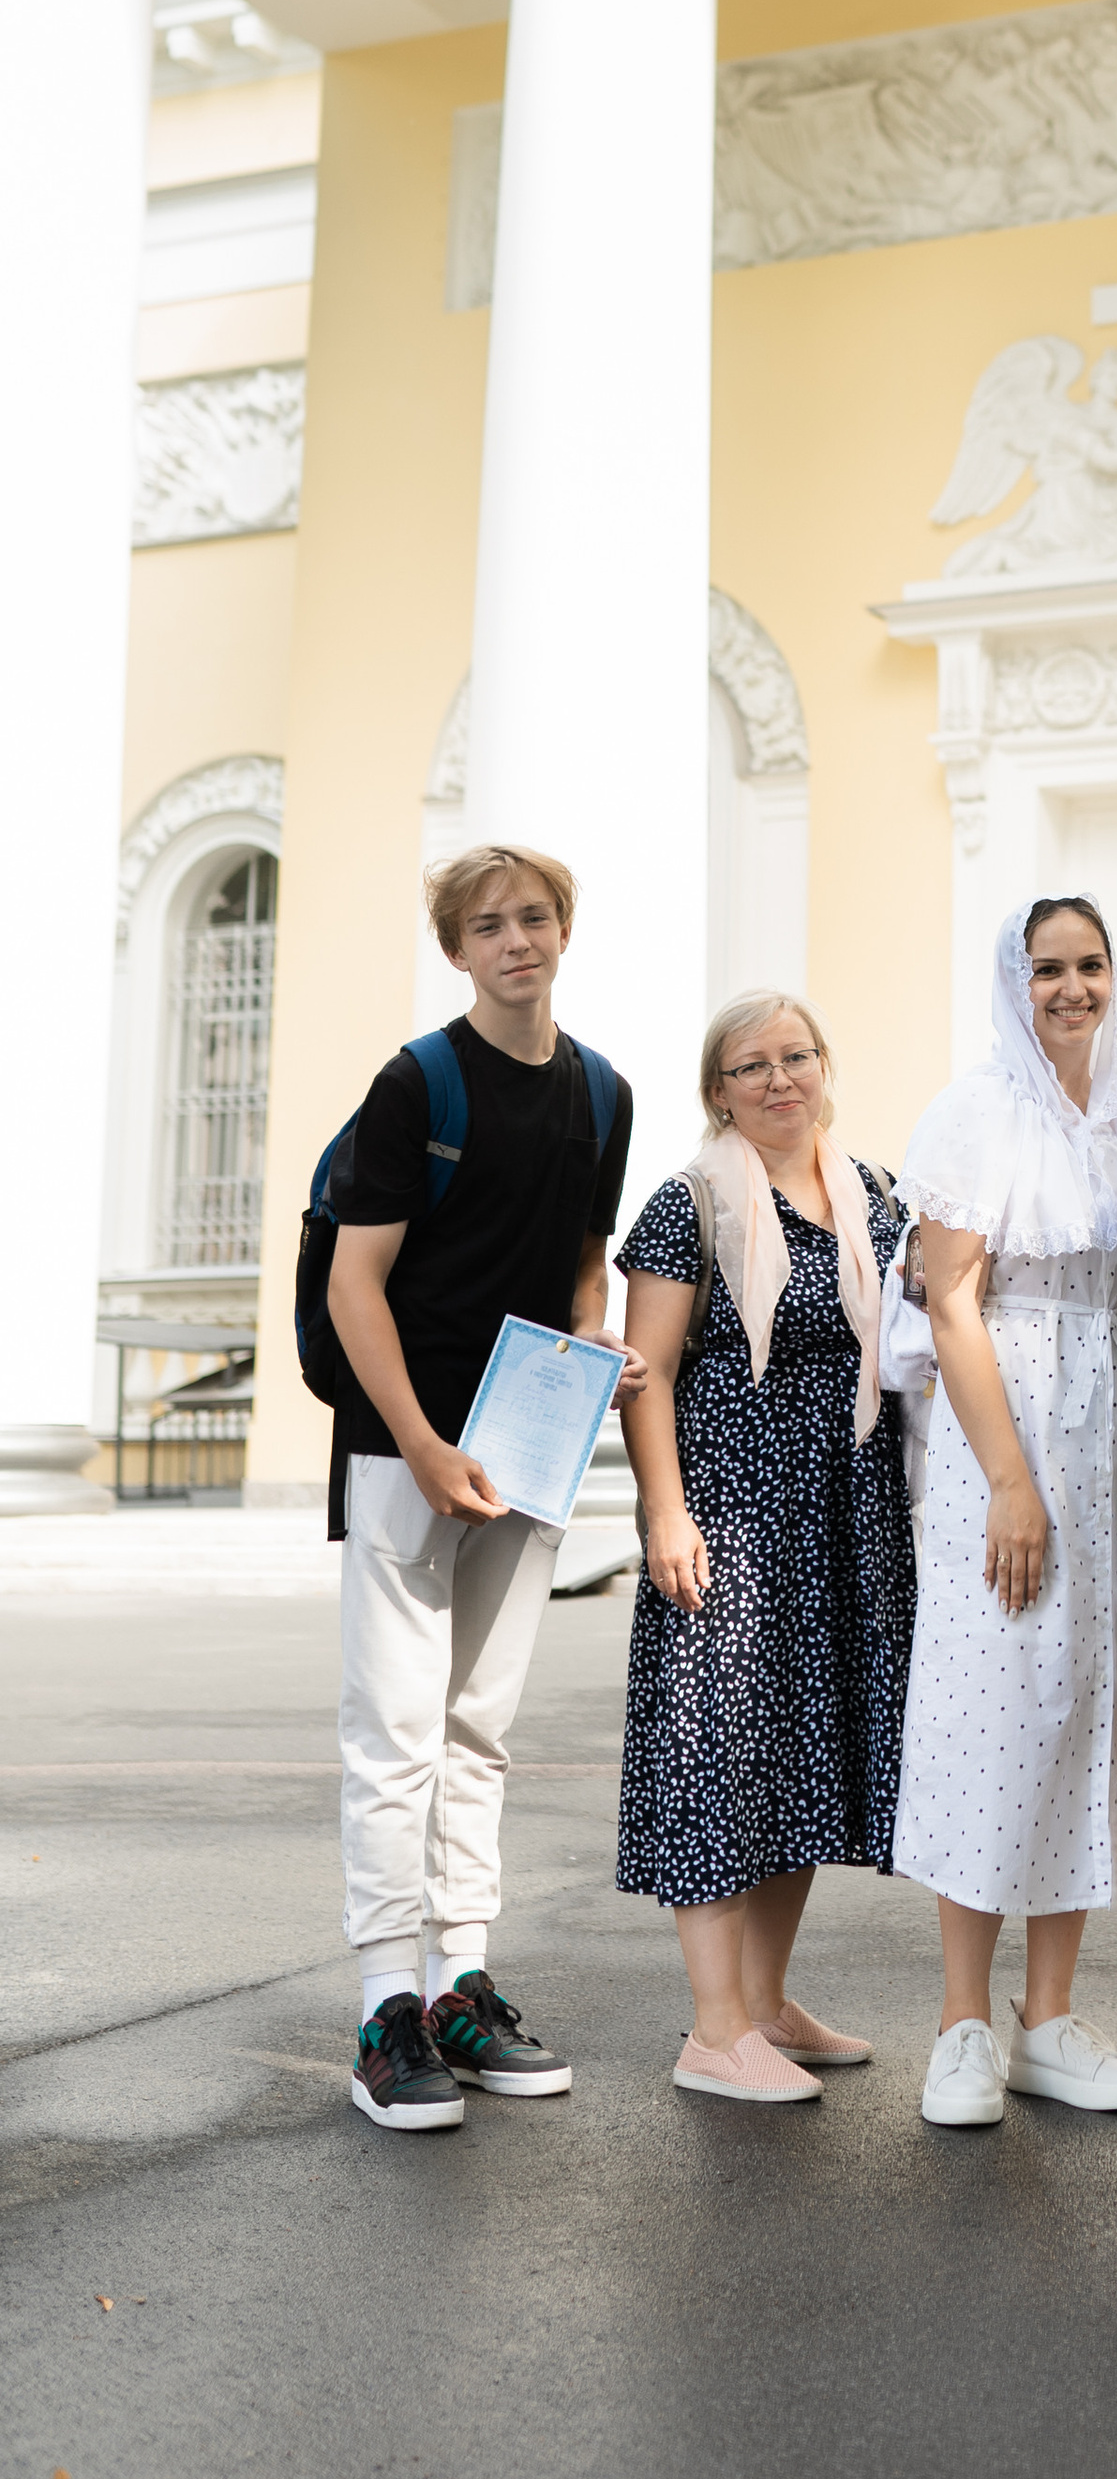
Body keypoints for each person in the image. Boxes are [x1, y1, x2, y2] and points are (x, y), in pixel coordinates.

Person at [324, 843, 635, 2135]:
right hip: (406, 1449)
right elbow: (355, 1285)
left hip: (525, 1445)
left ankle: (461, 1982)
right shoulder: (420, 1084)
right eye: (492, 925)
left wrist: (591, 1348)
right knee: (398, 1729)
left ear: (565, 930)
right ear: (459, 948)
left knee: (477, 1727)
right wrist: (423, 1442)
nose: (519, 940)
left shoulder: (602, 1094)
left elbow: (581, 1267)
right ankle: (385, 2006)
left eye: (537, 918)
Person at [890, 897, 1117, 2129]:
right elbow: (951, 1300)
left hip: (1111, 1418)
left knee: (1088, 1707)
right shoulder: (976, 1110)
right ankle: (962, 2023)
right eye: (1046, 968)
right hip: (1002, 1423)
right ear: (1012, 982)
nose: (1070, 988)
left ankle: (1048, 2016)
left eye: (1090, 966)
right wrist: (1009, 1477)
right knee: (995, 1700)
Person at [613, 993, 916, 2106]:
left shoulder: (875, 1195)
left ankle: (765, 2002)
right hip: (732, 1508)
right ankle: (710, 2031)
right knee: (717, 1753)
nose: (780, 1079)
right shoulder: (686, 1203)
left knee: (800, 1756)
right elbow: (641, 1378)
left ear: (826, 1066)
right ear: (719, 1091)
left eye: (797, 1057)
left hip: (842, 1508)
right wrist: (664, 1513)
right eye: (753, 1066)